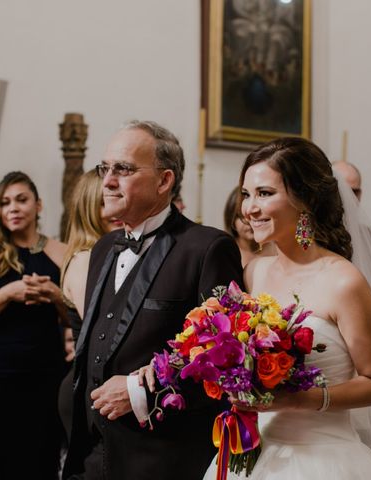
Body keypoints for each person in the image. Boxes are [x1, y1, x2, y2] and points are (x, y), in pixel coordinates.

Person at [199, 137, 371, 480]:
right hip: (256, 454)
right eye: (246, 194)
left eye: (264, 193)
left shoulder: (344, 282)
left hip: (323, 458)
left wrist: (299, 399)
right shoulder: (255, 270)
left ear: (305, 199)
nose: (249, 208)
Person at [62, 120, 243, 480]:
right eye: (105, 168)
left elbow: (226, 359)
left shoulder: (207, 248)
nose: (108, 181)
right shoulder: (103, 249)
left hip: (160, 459)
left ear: (165, 181)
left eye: (123, 169)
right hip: (91, 456)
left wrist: (140, 391)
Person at [0, 171, 67, 479]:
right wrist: (6, 294)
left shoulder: (61, 252)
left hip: (45, 376)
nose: (13, 208)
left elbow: (77, 318)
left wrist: (55, 295)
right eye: (5, 202)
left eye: (22, 200)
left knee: (40, 461)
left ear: (39, 205)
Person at [59, 170, 111, 444]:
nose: (114, 210)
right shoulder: (84, 260)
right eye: (103, 203)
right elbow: (101, 329)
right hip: (85, 389)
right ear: (88, 209)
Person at [332, 161, 371, 258]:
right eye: (340, 191)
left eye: (353, 192)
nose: (347, 199)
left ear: (359, 195)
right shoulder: (308, 236)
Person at [223, 187, 272, 266]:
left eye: (255, 214)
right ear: (231, 219)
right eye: (241, 216)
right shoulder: (226, 253)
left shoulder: (277, 249)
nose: (248, 221)